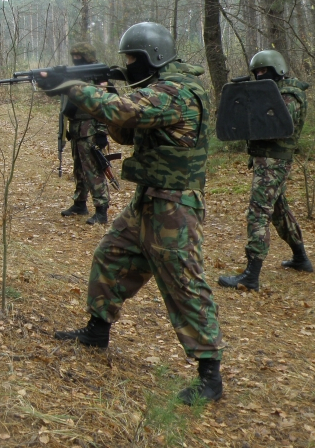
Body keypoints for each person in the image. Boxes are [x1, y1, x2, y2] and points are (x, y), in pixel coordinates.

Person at [44, 22, 223, 406]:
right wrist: (102, 92)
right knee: (111, 255)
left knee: (184, 284)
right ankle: (97, 330)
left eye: (131, 58)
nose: (126, 64)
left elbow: (124, 110)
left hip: (175, 205)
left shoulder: (178, 91)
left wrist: (72, 86)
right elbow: (126, 130)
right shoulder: (158, 91)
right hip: (149, 198)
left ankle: (210, 373)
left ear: (151, 58)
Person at [218, 50, 312, 291]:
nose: (260, 75)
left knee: (258, 212)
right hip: (266, 160)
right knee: (279, 210)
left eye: (264, 71)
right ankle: (300, 257)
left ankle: (251, 274)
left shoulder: (292, 94)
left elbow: (278, 124)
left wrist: (256, 101)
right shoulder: (266, 92)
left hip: (275, 161)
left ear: (277, 70)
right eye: (256, 72)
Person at [60, 42, 111, 225]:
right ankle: (80, 203)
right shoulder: (75, 75)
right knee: (79, 169)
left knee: (93, 170)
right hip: (76, 129)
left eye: (79, 57)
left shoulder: (98, 75)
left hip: (91, 129)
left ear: (87, 57)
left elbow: (107, 105)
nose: (75, 60)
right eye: (74, 56)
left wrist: (101, 132)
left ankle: (101, 209)